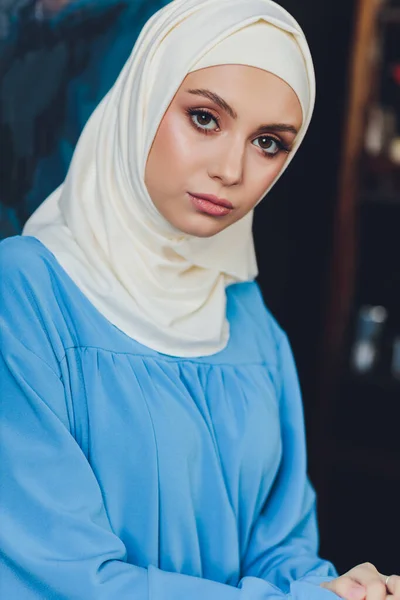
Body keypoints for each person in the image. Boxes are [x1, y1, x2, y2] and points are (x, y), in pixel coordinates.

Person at [0, 0, 398, 598]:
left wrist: (336, 590)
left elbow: (279, 547)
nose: (232, 169)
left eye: (268, 142)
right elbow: (60, 575)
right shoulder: (24, 295)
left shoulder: (252, 325)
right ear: (144, 99)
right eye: (205, 119)